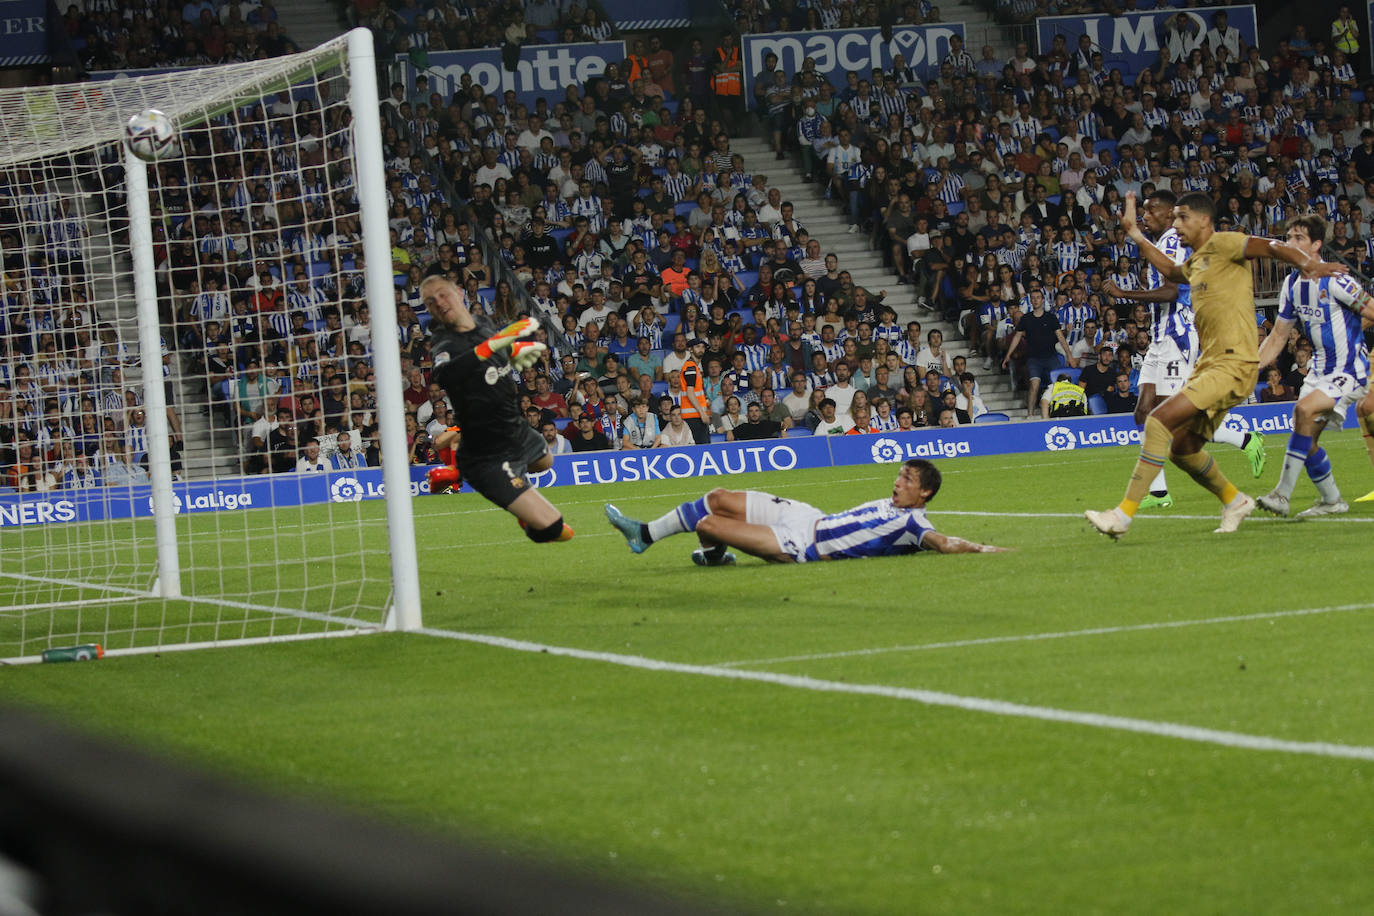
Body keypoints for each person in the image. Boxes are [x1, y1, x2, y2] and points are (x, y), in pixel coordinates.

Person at [1086, 192, 1348, 539]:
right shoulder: (1198, 261)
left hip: (1231, 364)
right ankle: (1234, 500)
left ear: (1203, 221)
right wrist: (1134, 233)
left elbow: (1271, 247)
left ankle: (1121, 516)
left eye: (1182, 218)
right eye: (1174, 218)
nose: (1176, 225)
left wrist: (1307, 263)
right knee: (1182, 449)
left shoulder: (1226, 243)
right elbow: (1169, 271)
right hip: (1210, 366)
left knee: (1157, 420)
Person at [1104, 189, 1266, 510]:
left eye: (1151, 212)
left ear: (1168, 215)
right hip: (1159, 336)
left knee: (1169, 418)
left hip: (1177, 336)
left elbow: (1170, 291)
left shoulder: (1172, 242)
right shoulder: (1160, 244)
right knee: (1143, 412)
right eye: (1145, 211)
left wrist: (1125, 293)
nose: (1146, 216)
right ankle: (1160, 493)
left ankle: (1244, 438)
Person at [603, 459, 1007, 566]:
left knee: (709, 524)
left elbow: (942, 542)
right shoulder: (892, 504)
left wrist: (988, 551)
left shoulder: (914, 522)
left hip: (801, 545)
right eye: (899, 475)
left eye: (907, 479)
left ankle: (709, 552)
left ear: (925, 492)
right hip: (808, 516)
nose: (898, 482)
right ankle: (647, 535)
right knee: (719, 497)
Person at [421, 275, 573, 543]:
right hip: (486, 452)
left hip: (515, 428)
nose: (439, 303)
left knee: (545, 461)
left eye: (443, 294)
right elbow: (446, 375)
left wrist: (513, 353)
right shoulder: (443, 343)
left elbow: (492, 360)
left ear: (458, 291)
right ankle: (498, 489)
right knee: (556, 531)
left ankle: (514, 489)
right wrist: (494, 344)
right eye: (430, 302)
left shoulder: (482, 323)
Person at [1254, 215, 1374, 517]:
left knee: (1303, 410)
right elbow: (1279, 335)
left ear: (1317, 245)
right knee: (1305, 439)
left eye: (1298, 238)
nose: (1290, 244)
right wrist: (1249, 366)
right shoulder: (1292, 284)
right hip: (1320, 371)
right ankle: (1332, 500)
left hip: (1349, 370)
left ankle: (1281, 494)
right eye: (1288, 238)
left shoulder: (1337, 280)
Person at [1001, 288, 1077, 417]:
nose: (1035, 300)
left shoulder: (1051, 317)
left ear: (1043, 300)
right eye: (1033, 298)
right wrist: (1008, 355)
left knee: (1062, 384)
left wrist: (1069, 355)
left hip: (1051, 357)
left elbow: (1060, 337)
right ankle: (1030, 415)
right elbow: (1017, 337)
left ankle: (1064, 412)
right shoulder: (1026, 318)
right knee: (1034, 385)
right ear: (1030, 301)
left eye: (1038, 297)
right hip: (1034, 359)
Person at [678, 337, 712, 444]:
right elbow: (690, 392)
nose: (701, 349)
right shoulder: (690, 367)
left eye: (703, 347)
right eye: (697, 347)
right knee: (702, 448)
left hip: (695, 415)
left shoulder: (694, 367)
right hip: (694, 416)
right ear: (690, 349)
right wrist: (702, 413)